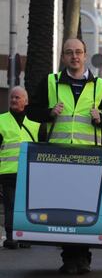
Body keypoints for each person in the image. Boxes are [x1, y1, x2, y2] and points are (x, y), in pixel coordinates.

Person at [27, 38, 102, 274]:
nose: (74, 56)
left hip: (90, 160)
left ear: (85, 55)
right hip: (57, 158)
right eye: (69, 52)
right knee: (64, 212)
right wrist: (49, 113)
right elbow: (32, 111)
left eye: (78, 52)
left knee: (86, 211)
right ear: (63, 57)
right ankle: (69, 258)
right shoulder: (51, 82)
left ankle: (84, 256)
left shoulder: (100, 86)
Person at [0, 87, 43, 249]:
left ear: (26, 101)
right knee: (10, 206)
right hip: (8, 172)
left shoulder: (35, 123)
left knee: (26, 206)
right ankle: (11, 237)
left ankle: (25, 237)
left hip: (29, 173)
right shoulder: (1, 120)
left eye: (17, 97)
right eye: (12, 97)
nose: (13, 100)